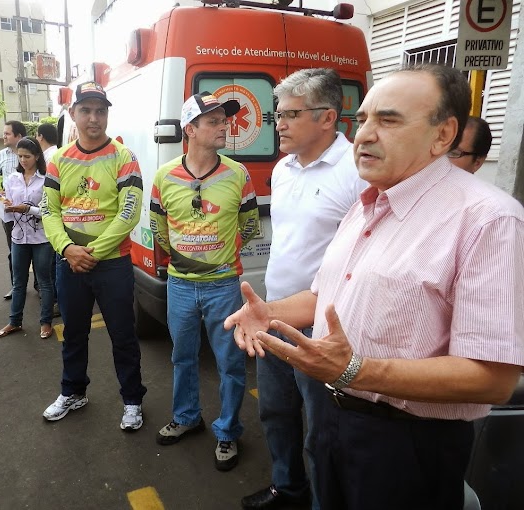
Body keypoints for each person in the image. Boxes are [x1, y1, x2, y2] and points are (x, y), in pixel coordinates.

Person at [225, 63, 524, 510]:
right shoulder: (367, 204)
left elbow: (494, 379)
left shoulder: (488, 220)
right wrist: (271, 314)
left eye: (388, 120)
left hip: (407, 440)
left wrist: (354, 371)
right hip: (331, 417)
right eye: (362, 119)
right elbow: (323, 297)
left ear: (443, 136)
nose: (363, 134)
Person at [240, 69, 367, 509]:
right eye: (278, 114)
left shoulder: (356, 172)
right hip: (275, 316)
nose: (280, 123)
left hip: (322, 328)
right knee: (274, 412)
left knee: (322, 427)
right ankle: (287, 488)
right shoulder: (283, 169)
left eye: (291, 114)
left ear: (328, 117)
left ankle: (322, 500)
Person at [150, 91, 259, 471]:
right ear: (190, 129)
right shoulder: (164, 177)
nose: (224, 126)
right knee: (181, 357)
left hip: (224, 284)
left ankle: (227, 431)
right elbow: (158, 227)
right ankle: (186, 417)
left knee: (230, 362)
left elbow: (249, 225)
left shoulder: (238, 174)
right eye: (213, 121)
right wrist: (185, 260)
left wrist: (218, 259)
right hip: (179, 285)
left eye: (224, 119)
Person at [40, 81, 147, 431]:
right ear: (73, 115)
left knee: (122, 334)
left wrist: (92, 252)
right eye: (86, 110)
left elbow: (129, 212)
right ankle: (73, 392)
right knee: (73, 332)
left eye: (100, 110)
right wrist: (68, 249)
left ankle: (132, 400)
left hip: (112, 262)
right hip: (69, 261)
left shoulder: (123, 157)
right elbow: (49, 212)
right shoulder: (58, 160)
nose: (94, 118)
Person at [0, 137, 54, 340]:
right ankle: (14, 321)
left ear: (37, 156)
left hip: (42, 238)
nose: (23, 160)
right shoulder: (12, 179)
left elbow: (49, 211)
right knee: (18, 282)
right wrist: (5, 202)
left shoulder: (46, 179)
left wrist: (28, 208)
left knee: (44, 281)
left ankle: (46, 322)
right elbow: (6, 202)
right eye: (20, 156)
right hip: (19, 236)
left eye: (27, 156)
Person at [0, 120, 26, 300]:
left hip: (31, 211)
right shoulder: (2, 154)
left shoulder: (31, 152)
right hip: (9, 213)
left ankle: (40, 286)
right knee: (14, 251)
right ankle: (16, 286)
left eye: (7, 133)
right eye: (4, 133)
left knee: (39, 249)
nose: (4, 136)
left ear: (19, 136)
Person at [36, 123, 61, 317]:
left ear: (40, 136)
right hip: (48, 218)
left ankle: (56, 301)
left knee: (52, 264)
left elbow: (49, 197)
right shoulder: (56, 155)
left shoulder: (51, 158)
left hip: (49, 221)